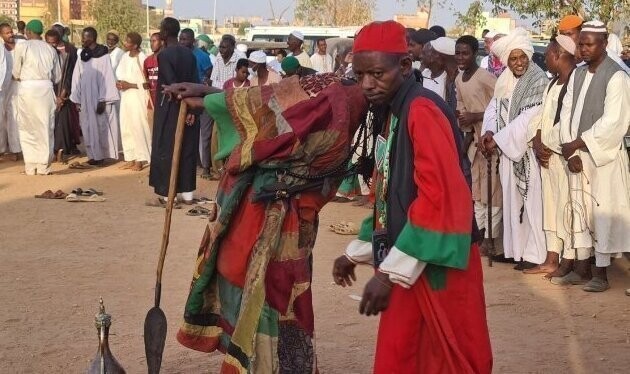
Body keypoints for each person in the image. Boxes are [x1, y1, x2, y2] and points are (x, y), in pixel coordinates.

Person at [165, 52, 368, 374]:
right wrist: (211, 95)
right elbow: (275, 101)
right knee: (256, 281)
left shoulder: (344, 96)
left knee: (270, 287)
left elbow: (273, 109)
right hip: (276, 207)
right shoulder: (342, 89)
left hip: (278, 212)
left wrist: (210, 101)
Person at [332, 20, 491, 373]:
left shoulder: (422, 111)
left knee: (446, 359)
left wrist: (387, 275)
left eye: (376, 74)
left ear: (404, 66)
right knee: (402, 356)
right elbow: (392, 193)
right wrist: (356, 252)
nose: (367, 85)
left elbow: (439, 198)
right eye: (360, 76)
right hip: (408, 258)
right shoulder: (393, 110)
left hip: (438, 266)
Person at [556, 21, 630, 292]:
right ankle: (582, 268)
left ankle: (601, 273)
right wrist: (569, 148)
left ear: (604, 43)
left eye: (589, 44)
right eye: (581, 44)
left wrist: (578, 143)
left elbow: (614, 123)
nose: (583, 49)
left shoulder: (617, 76)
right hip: (576, 156)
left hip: (603, 160)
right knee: (579, 211)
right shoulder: (577, 74)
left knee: (600, 213)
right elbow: (566, 113)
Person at [480, 28, 548, 270]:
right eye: (513, 58)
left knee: (531, 202)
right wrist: (488, 131)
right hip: (507, 150)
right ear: (507, 61)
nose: (518, 63)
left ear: (528, 57)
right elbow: (493, 108)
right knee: (511, 201)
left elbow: (529, 118)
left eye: (522, 58)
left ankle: (534, 253)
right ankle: (514, 251)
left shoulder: (538, 80)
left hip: (527, 151)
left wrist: (498, 139)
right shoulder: (505, 80)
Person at [523, 36, 578, 277]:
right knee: (551, 208)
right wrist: (537, 139)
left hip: (564, 156)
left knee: (567, 209)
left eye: (547, 55)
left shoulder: (576, 82)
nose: (545, 60)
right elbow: (542, 115)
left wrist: (549, 144)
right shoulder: (551, 83)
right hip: (547, 156)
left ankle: (569, 259)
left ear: (558, 55)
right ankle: (551, 257)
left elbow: (569, 122)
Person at [454, 35, 504, 261]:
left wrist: (478, 115)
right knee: (478, 191)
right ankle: (481, 234)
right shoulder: (458, 79)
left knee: (493, 191)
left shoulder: (485, 77)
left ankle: (491, 239)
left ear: (475, 54)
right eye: (458, 53)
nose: (461, 57)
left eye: (465, 53)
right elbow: (462, 112)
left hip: (492, 141)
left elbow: (503, 104)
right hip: (474, 143)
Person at [147, 17, 199, 206]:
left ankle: (167, 191)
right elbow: (196, 83)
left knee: (166, 146)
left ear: (165, 33)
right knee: (187, 147)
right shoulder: (189, 55)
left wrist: (180, 98)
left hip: (170, 108)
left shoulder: (165, 55)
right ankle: (187, 192)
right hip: (190, 105)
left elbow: (172, 84)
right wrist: (193, 109)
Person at [12, 20, 61, 175]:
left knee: (27, 127)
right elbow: (57, 77)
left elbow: (16, 73)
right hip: (45, 89)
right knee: (45, 127)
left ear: (29, 32)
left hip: (27, 89)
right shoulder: (50, 49)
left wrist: (23, 77)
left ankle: (30, 166)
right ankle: (43, 166)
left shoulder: (22, 46)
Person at [70, 27, 120, 167]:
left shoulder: (103, 55)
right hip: (85, 97)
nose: (83, 39)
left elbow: (107, 77)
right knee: (86, 126)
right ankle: (92, 155)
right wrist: (77, 97)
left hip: (98, 96)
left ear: (92, 38)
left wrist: (103, 100)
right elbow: (77, 76)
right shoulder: (83, 55)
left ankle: (101, 156)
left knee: (100, 126)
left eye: (85, 37)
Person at [116, 32, 151, 172]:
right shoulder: (124, 57)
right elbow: (120, 74)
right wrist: (119, 84)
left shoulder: (142, 59)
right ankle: (130, 157)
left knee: (138, 127)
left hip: (138, 97)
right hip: (126, 97)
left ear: (135, 45)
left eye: (128, 41)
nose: (125, 43)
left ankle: (140, 159)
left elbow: (146, 84)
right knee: (126, 126)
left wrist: (129, 85)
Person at [45, 28, 80, 162]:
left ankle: (60, 151)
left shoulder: (70, 51)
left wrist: (62, 96)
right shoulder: (45, 52)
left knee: (62, 123)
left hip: (64, 93)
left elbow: (70, 75)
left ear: (59, 39)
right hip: (48, 92)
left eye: (53, 43)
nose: (51, 46)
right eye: (48, 43)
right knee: (50, 122)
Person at [558, 15, 630, 74]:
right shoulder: (564, 59)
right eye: (562, 35)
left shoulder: (605, 54)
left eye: (569, 34)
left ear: (581, 32)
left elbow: (626, 75)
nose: (565, 38)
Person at [0, 23, 21, 161]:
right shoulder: (1, 49)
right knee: (1, 120)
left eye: (11, 32)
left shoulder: (21, 44)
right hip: (2, 88)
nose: (10, 34)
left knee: (15, 118)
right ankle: (1, 150)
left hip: (17, 86)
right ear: (1, 35)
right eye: (7, 33)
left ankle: (15, 150)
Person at [421, 37, 457, 111]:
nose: (420, 56)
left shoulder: (452, 79)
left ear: (437, 56)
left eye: (424, 53)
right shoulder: (424, 74)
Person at [143, 32, 162, 108]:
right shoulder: (147, 60)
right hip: (151, 99)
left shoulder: (166, 59)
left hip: (163, 99)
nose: (151, 44)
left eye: (154, 41)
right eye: (150, 41)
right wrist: (146, 83)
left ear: (162, 42)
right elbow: (146, 77)